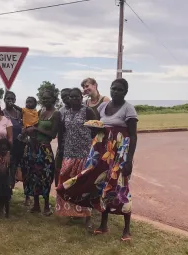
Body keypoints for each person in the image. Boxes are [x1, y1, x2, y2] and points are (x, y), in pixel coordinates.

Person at [57, 78, 138, 241]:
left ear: (125, 92)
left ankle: (126, 228)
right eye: (113, 88)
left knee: (121, 186)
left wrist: (129, 160)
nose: (116, 92)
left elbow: (133, 136)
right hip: (103, 152)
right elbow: (98, 128)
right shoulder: (102, 107)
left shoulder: (129, 109)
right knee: (102, 185)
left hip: (120, 153)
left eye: (120, 89)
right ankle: (103, 225)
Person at [55, 88, 97, 228]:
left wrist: (92, 146)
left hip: (84, 154)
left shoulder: (87, 111)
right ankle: (73, 212)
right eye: (71, 97)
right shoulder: (65, 113)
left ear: (81, 97)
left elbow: (97, 129)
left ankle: (88, 217)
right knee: (66, 180)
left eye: (77, 97)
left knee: (85, 185)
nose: (74, 99)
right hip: (68, 153)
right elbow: (62, 133)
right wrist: (61, 150)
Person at [21, 89, 61, 216]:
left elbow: (53, 134)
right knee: (33, 175)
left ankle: (47, 206)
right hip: (33, 147)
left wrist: (36, 129)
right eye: (43, 98)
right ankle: (36, 204)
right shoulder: (40, 111)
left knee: (46, 176)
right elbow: (32, 127)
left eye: (48, 98)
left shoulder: (56, 114)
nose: (45, 100)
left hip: (45, 149)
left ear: (54, 99)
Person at [2, 91, 29, 205]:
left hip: (21, 146)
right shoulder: (2, 113)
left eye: (12, 99)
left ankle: (27, 197)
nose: (10, 101)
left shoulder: (20, 113)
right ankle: (8, 195)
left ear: (15, 100)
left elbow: (26, 125)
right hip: (9, 147)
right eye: (8, 98)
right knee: (10, 172)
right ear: (4, 99)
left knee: (24, 171)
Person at [55, 88, 72, 186]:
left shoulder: (82, 108)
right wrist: (60, 147)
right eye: (63, 97)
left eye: (67, 96)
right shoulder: (60, 111)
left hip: (78, 147)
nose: (65, 98)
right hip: (64, 145)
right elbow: (60, 131)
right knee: (59, 169)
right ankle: (59, 191)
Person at [0, 138, 12, 218]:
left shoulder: (9, 159)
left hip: (6, 181)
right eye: (2, 150)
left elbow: (11, 171)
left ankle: (7, 213)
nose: (3, 151)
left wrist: (11, 181)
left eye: (5, 150)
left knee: (7, 198)